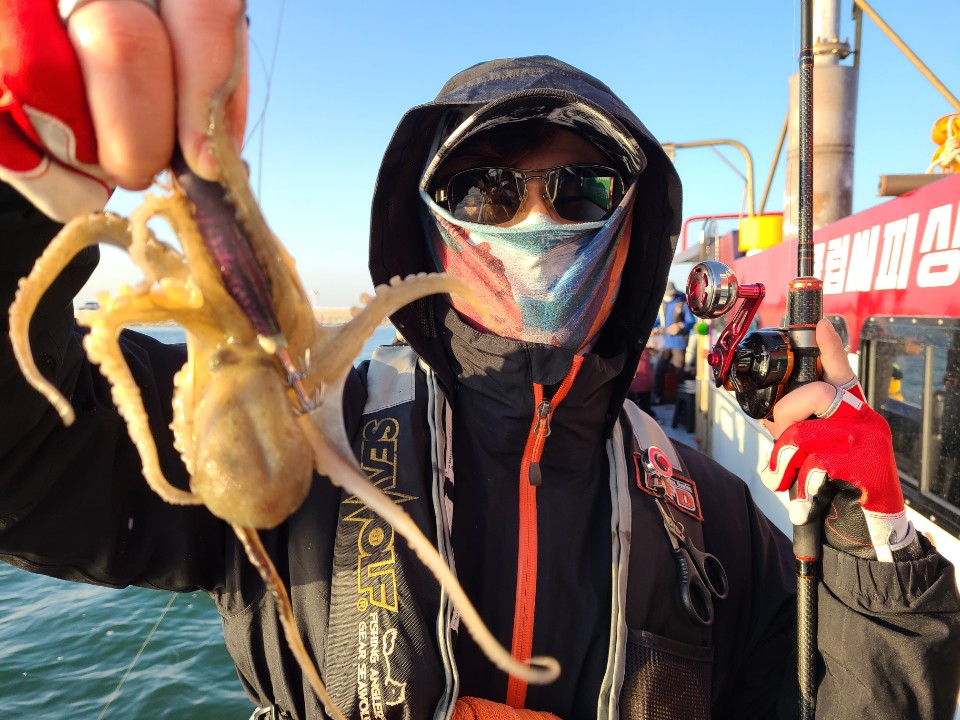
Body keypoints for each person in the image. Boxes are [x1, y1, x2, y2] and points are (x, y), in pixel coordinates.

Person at [1, 6, 959, 720]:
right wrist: (23, 186)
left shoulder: (717, 517)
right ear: (427, 229)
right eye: (484, 191)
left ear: (635, 232)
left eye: (583, 189)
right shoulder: (297, 431)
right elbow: (25, 459)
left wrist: (872, 549)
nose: (535, 222)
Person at [651, 281, 696, 402]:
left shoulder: (682, 303)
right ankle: (659, 396)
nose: (670, 296)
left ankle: (680, 400)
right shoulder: (662, 305)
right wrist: (654, 329)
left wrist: (680, 326)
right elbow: (657, 321)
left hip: (679, 344)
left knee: (679, 372)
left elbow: (691, 322)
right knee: (658, 369)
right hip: (666, 343)